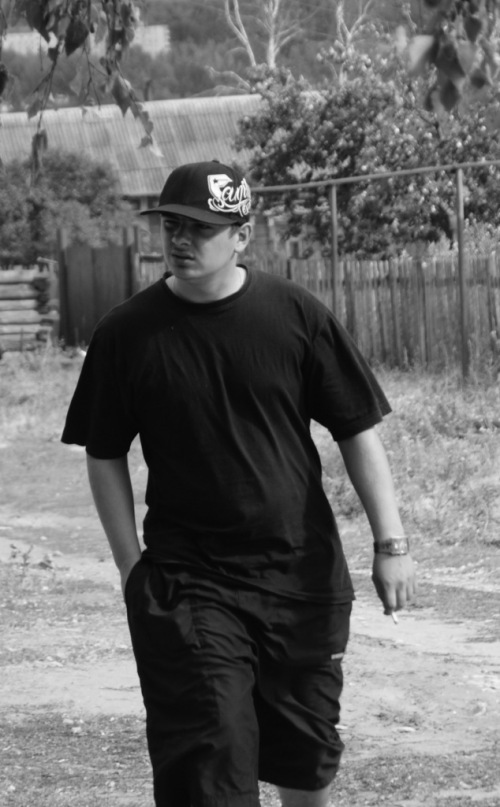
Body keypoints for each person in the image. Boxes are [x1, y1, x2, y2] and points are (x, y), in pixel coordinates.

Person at [62, 159, 416, 807]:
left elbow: (357, 428)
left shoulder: (294, 315)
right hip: (189, 581)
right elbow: (103, 450)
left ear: (242, 235)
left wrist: (390, 543)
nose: (181, 240)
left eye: (200, 228)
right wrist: (132, 568)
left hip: (300, 578)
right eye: (172, 225)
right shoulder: (128, 333)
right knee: (211, 760)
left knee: (304, 763)